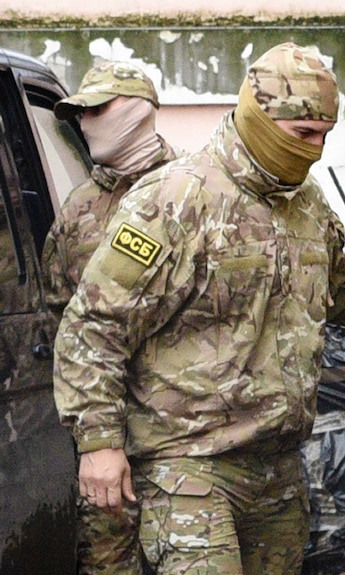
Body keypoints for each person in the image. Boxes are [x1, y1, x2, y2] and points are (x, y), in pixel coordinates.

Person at [52, 42, 345, 575]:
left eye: (324, 136)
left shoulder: (308, 205)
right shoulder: (175, 199)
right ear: (261, 120)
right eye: (302, 135)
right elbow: (95, 326)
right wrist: (99, 443)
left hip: (277, 468)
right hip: (188, 463)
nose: (315, 150)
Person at [42, 60, 181, 575]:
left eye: (99, 108)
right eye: (80, 112)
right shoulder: (78, 212)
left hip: (189, 439)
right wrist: (91, 433)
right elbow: (61, 325)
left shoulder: (195, 192)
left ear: (141, 110)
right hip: (107, 443)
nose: (86, 121)